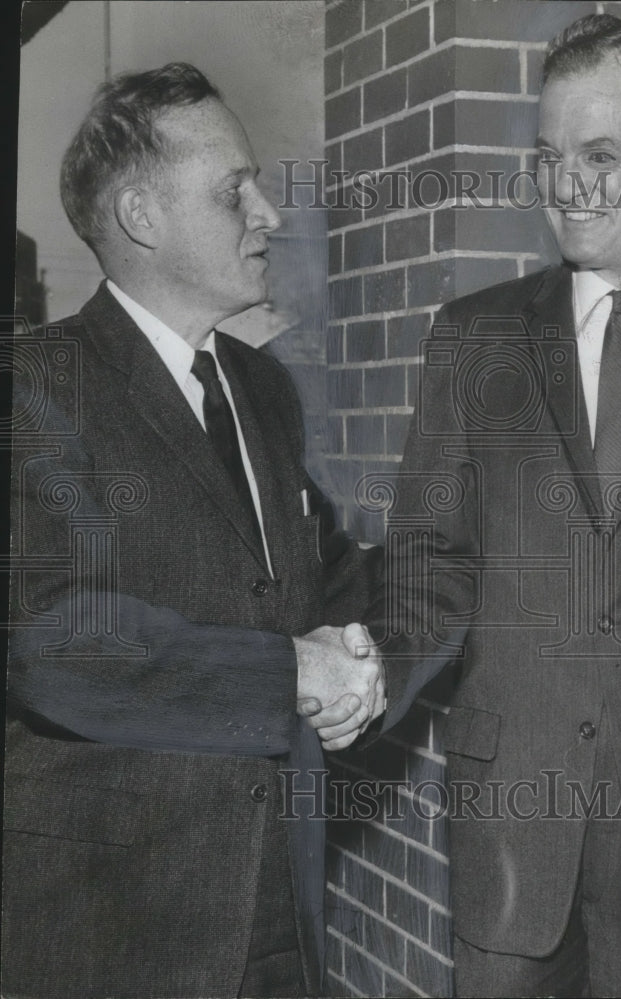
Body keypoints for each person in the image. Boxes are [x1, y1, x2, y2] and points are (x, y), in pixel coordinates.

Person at [368, 14, 621, 997]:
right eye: (547, 155)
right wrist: (369, 668)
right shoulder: (473, 343)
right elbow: (429, 564)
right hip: (515, 850)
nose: (564, 186)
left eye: (600, 155)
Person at [3, 63, 390, 998]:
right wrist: (291, 670)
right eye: (233, 191)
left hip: (276, 899)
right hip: (114, 927)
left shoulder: (261, 389)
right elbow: (55, 642)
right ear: (142, 217)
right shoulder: (37, 388)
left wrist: (356, 643)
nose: (268, 211)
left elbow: (321, 565)